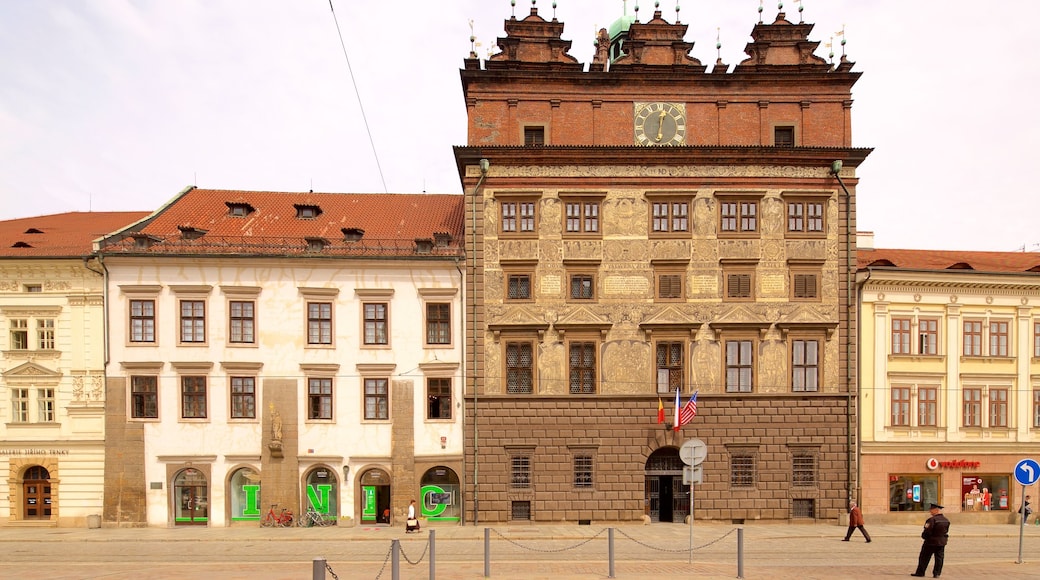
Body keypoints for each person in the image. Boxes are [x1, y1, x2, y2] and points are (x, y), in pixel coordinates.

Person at [911, 503, 950, 578]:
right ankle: (937, 573)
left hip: (931, 542)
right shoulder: (946, 520)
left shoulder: (931, 520)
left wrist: (924, 537)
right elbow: (946, 530)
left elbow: (927, 531)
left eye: (931, 510)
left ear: (936, 510)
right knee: (939, 558)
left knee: (924, 557)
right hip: (941, 542)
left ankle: (920, 572)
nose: (930, 511)